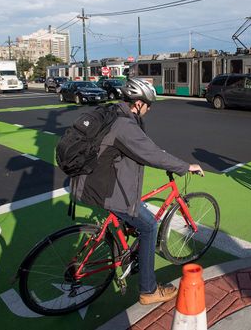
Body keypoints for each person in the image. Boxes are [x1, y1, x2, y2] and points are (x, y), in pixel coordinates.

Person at [72, 78, 204, 305]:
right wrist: (185, 166)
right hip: (106, 189)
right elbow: (151, 154)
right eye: (148, 104)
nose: (149, 109)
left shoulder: (114, 113)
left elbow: (142, 148)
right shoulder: (125, 125)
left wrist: (155, 151)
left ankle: (124, 248)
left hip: (92, 181)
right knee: (150, 226)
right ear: (139, 103)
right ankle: (148, 290)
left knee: (133, 215)